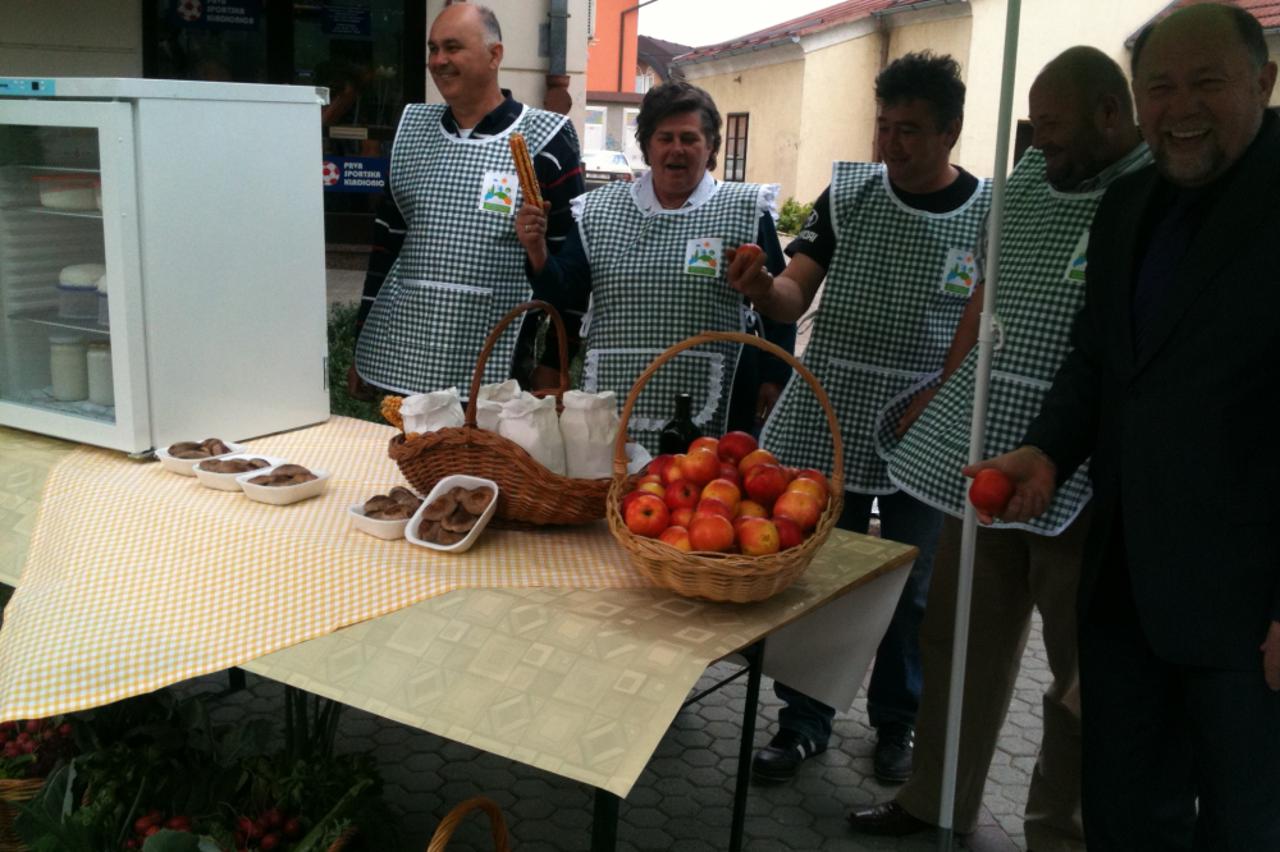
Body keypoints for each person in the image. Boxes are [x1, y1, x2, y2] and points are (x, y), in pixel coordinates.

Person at [970, 5, 1280, 849]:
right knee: (1125, 812)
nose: (1179, 106)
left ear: (1264, 79)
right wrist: (1049, 448)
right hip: (1126, 588)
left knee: (1249, 824)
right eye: (1159, 87)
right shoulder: (1128, 204)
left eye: (1206, 83)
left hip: (1249, 614)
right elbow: (1097, 360)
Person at [845, 47, 1150, 850]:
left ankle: (1064, 833)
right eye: (1033, 131)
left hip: (1088, 485)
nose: (1038, 147)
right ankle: (933, 799)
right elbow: (981, 296)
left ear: (1111, 117)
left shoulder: (1154, 195)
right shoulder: (1023, 188)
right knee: (958, 640)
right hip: (986, 458)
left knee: (1082, 678)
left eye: (1052, 132)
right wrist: (948, 397)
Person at [729, 52, 991, 785]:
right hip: (828, 415)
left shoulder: (988, 211)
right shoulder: (848, 197)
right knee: (820, 577)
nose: (891, 144)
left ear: (951, 132)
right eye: (884, 126)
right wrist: (760, 290)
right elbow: (792, 296)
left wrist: (940, 393)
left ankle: (896, 726)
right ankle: (803, 723)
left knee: (911, 590)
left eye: (910, 129)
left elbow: (985, 323)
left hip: (923, 422)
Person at [515, 80, 794, 447]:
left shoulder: (744, 209)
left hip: (717, 398)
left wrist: (774, 377)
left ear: (710, 146)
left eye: (689, 138)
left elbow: (776, 301)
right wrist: (536, 249)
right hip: (617, 394)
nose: (676, 149)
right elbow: (563, 290)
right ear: (647, 145)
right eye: (665, 138)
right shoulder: (600, 210)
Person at [352, 3, 583, 397]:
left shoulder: (545, 139)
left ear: (495, 55)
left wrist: (554, 360)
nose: (438, 60)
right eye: (433, 48)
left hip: (498, 362)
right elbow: (386, 242)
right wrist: (362, 340)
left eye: (453, 47)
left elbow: (573, 264)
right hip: (406, 357)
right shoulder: (411, 132)